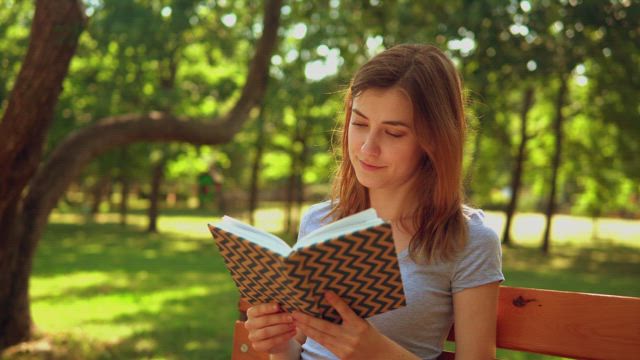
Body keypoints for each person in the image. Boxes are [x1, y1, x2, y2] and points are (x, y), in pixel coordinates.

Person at [243, 44, 504, 359]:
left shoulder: (468, 241)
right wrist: (278, 343)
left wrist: (377, 352)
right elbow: (300, 347)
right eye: (360, 123)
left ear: (433, 139)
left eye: (393, 133)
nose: (367, 148)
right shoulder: (320, 222)